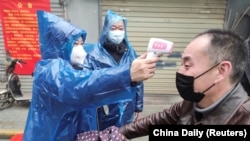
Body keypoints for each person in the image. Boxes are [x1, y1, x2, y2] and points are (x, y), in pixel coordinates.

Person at [23, 10, 160, 141]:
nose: (81, 49)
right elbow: (79, 87)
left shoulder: (72, 67)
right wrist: (127, 74)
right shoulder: (49, 71)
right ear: (59, 45)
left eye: (81, 43)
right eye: (75, 44)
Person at [118, 29, 250, 139]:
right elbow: (154, 122)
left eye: (187, 65)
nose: (180, 71)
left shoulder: (243, 119)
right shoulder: (191, 103)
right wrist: (109, 135)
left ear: (221, 71)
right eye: (181, 64)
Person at [84, 9, 144, 131]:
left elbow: (139, 81)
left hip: (128, 107)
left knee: (125, 134)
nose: (118, 32)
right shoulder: (94, 55)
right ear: (106, 29)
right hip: (104, 110)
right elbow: (87, 83)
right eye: (113, 28)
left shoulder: (130, 53)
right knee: (106, 136)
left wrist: (138, 106)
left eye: (121, 28)